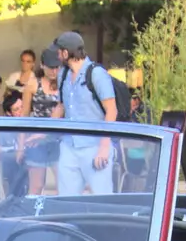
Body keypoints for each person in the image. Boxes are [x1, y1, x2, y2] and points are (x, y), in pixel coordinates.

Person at [52, 30, 116, 196]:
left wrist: (104, 148)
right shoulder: (63, 75)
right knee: (66, 200)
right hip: (69, 145)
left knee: (102, 199)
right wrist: (42, 131)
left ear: (66, 53)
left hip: (94, 146)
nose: (57, 55)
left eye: (59, 52)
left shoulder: (96, 74)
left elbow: (111, 110)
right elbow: (61, 107)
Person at [18, 47, 64, 196]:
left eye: (57, 67)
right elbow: (24, 116)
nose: (54, 71)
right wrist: (20, 145)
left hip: (58, 140)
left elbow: (62, 109)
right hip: (35, 140)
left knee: (63, 184)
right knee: (36, 186)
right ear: (43, 65)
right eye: (50, 67)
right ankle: (33, 216)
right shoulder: (32, 85)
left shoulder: (64, 85)